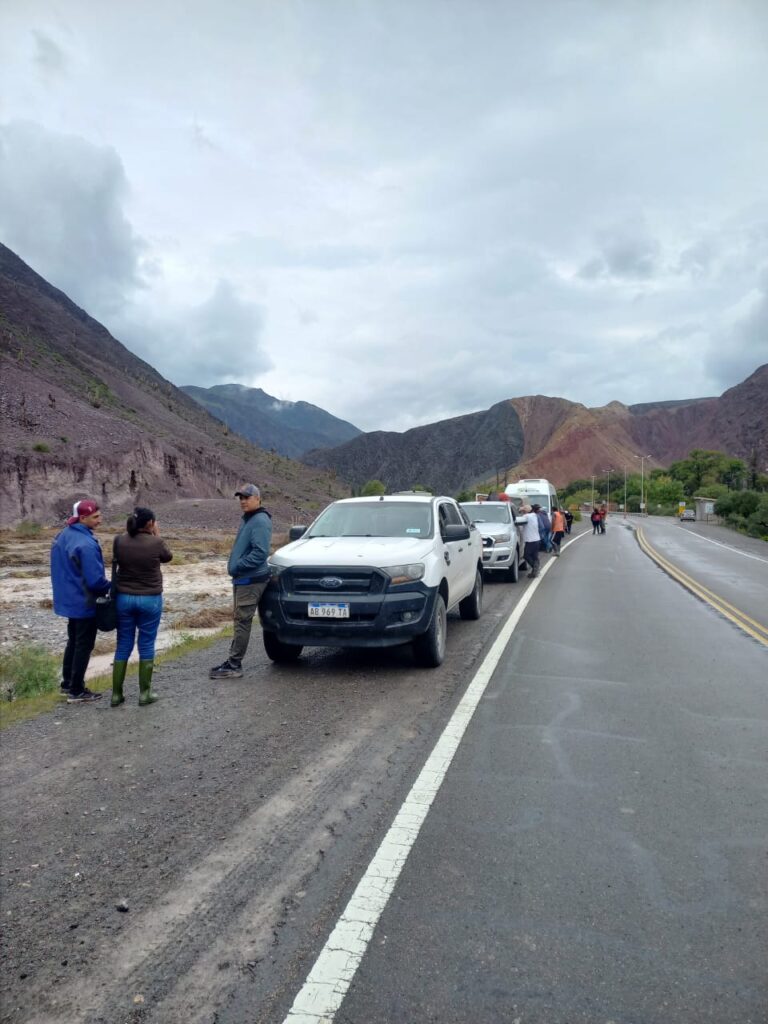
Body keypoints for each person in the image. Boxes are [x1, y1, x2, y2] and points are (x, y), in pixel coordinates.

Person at [111, 507, 173, 707]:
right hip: (149, 599)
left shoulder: (119, 541)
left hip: (124, 598)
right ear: (150, 523)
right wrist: (157, 535)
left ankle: (116, 694)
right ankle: (144, 693)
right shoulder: (156, 542)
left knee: (123, 644)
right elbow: (168, 557)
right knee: (146, 644)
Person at [50, 499, 110, 703]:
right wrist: (113, 587)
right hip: (84, 601)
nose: (100, 520)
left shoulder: (63, 535)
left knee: (73, 641)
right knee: (83, 645)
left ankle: (67, 684)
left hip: (68, 599)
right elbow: (95, 581)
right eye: (96, 517)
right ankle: (76, 690)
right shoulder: (86, 544)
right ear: (82, 518)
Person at [210, 484, 273, 679]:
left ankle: (234, 665)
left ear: (257, 498)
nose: (243, 501)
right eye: (241, 498)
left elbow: (260, 553)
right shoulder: (249, 518)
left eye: (247, 497)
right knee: (240, 619)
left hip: (251, 579)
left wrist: (237, 566)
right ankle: (232, 661)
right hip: (244, 579)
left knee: (242, 621)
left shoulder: (259, 520)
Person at [514, 504, 542, 578]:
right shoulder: (534, 515)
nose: (522, 512)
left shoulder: (526, 517)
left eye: (523, 511)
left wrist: (519, 511)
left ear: (525, 511)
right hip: (537, 539)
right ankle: (534, 572)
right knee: (534, 556)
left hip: (530, 540)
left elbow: (517, 521)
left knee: (526, 555)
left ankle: (536, 568)